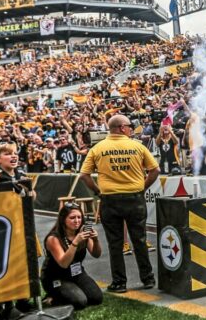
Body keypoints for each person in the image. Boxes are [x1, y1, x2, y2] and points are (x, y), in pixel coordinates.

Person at [79, 115, 159, 292]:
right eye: (130, 126)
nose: (131, 129)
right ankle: (148, 279)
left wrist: (98, 191)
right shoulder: (137, 146)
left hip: (110, 199)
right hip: (135, 198)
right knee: (140, 240)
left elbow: (84, 175)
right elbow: (155, 170)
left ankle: (119, 283)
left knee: (115, 243)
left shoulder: (98, 148)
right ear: (122, 128)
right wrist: (142, 187)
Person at [41, 201, 103, 310]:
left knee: (96, 298)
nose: (77, 221)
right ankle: (52, 297)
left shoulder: (81, 232)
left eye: (79, 217)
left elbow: (96, 254)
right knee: (80, 302)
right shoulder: (53, 238)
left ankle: (70, 290)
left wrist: (95, 239)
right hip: (56, 277)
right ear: (63, 219)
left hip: (76, 273)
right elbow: (64, 264)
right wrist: (75, 242)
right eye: (72, 218)